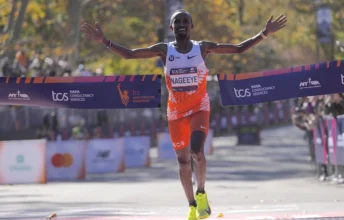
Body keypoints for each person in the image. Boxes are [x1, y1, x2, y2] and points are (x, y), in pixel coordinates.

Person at [81, 9, 287, 220]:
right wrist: (104, 40)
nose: (181, 24)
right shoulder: (164, 50)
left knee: (197, 151)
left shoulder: (202, 48)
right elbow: (130, 54)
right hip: (176, 113)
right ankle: (191, 205)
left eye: (185, 21)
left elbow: (238, 49)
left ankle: (201, 193)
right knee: (182, 162)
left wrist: (264, 33)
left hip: (199, 108)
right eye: (177, 21)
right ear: (171, 27)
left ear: (191, 26)